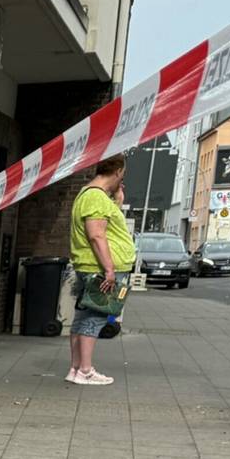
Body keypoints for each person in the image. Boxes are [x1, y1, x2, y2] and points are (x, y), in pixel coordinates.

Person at [66, 155, 135, 385]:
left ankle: (76, 369)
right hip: (98, 268)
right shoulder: (95, 196)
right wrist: (109, 270)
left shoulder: (89, 195)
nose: (122, 179)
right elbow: (96, 234)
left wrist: (117, 202)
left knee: (83, 316)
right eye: (123, 174)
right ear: (117, 171)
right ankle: (85, 371)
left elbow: (105, 226)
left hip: (90, 266)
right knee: (95, 317)